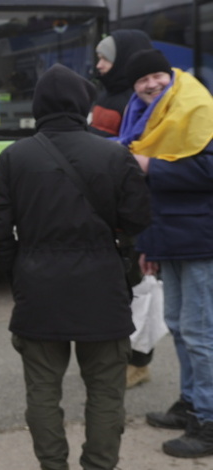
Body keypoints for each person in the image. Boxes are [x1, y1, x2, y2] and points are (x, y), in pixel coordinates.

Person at [0, 63, 151, 470]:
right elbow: (137, 219)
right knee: (105, 393)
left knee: (42, 392)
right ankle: (99, 464)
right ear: (83, 104)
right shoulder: (115, 154)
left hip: (38, 290)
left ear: (39, 105)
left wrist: (19, 274)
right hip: (104, 291)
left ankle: (53, 465)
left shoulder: (13, 159)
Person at [117, 48, 213, 459]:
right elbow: (151, 198)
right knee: (178, 323)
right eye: (142, 80)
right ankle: (191, 403)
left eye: (157, 76)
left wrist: (149, 165)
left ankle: (208, 421)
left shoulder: (197, 107)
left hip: (199, 240)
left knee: (199, 332)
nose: (151, 83)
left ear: (169, 76)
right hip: (171, 239)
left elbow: (207, 171)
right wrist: (149, 247)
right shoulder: (144, 116)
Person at [89, 29, 157, 389]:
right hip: (107, 202)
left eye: (106, 58)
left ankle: (139, 361)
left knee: (142, 288)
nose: (99, 65)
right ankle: (121, 355)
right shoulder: (110, 94)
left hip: (132, 204)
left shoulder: (140, 100)